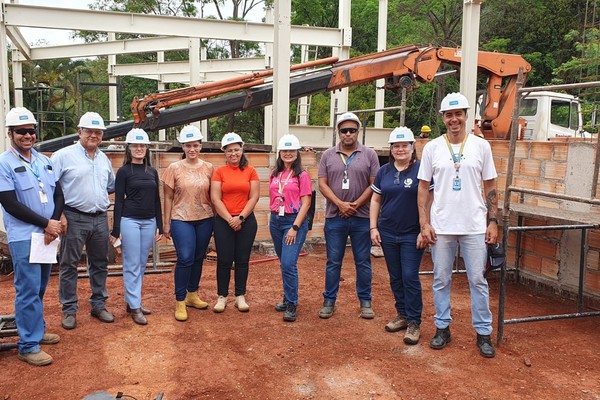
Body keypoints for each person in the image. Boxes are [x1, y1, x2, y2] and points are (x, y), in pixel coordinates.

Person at [417, 92, 499, 358]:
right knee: (441, 279)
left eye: (458, 114)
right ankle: (442, 327)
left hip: (474, 225)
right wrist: (424, 223)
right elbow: (422, 187)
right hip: (441, 226)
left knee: (477, 279)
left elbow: (491, 185)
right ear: (443, 118)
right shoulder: (432, 148)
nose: (454, 119)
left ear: (466, 116)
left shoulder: (480, 146)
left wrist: (493, 221)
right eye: (449, 115)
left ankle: (483, 333)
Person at [0, 107, 64, 366]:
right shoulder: (5, 163)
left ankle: (35, 330)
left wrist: (55, 223)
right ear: (10, 133)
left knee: (39, 287)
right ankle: (28, 344)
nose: (27, 135)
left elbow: (58, 194)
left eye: (31, 131)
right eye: (21, 131)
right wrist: (45, 224)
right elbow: (9, 202)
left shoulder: (43, 160)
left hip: (47, 235)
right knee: (26, 290)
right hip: (25, 236)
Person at [51, 112, 116, 330]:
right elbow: (51, 187)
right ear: (79, 132)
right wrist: (58, 215)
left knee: (100, 263)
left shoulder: (104, 158)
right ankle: (69, 309)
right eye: (89, 131)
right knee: (69, 264)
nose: (94, 135)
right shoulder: (63, 156)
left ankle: (98, 305)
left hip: (99, 218)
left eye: (98, 132)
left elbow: (110, 186)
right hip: (73, 217)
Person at [317, 112, 380, 319]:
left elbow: (374, 183)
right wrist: (340, 204)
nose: (348, 134)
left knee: (363, 261)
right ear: (338, 133)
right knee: (333, 261)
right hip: (335, 217)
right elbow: (322, 183)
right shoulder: (328, 155)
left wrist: (355, 204)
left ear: (358, 132)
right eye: (344, 130)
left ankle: (365, 301)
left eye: (352, 130)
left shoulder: (369, 154)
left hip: (361, 217)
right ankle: (329, 300)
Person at [370, 127, 428, 345]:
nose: (400, 149)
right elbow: (376, 200)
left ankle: (414, 321)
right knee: (395, 276)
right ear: (391, 149)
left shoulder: (421, 170)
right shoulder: (384, 171)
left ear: (413, 147)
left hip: (412, 233)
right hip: (387, 231)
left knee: (410, 276)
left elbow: (429, 200)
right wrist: (373, 228)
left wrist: (425, 228)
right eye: (396, 146)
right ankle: (402, 314)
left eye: (405, 145)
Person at [110, 129, 163, 325]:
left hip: (149, 222)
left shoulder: (152, 171)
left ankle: (132, 301)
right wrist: (116, 230)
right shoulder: (124, 172)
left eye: (142, 146)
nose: (139, 149)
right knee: (131, 264)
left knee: (141, 263)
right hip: (130, 221)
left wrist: (160, 224)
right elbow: (119, 203)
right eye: (135, 145)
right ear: (129, 148)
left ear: (147, 148)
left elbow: (157, 200)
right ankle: (135, 306)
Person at [161, 125, 214, 322]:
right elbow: (167, 198)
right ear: (182, 147)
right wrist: (166, 223)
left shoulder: (209, 168)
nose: (192, 149)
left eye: (195, 145)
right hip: (181, 219)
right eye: (188, 145)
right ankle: (180, 300)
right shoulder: (173, 169)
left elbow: (213, 195)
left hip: (205, 218)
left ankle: (193, 294)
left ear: (201, 146)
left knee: (199, 257)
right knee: (185, 257)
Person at [211, 132, 259, 313]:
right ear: (224, 152)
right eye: (230, 150)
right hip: (224, 221)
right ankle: (222, 296)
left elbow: (254, 197)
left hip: (246, 221)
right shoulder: (219, 172)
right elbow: (215, 199)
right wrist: (230, 219)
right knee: (224, 259)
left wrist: (240, 218)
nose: (234, 154)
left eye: (237, 150)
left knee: (242, 260)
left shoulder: (251, 171)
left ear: (242, 150)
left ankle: (240, 296)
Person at [269, 134, 312, 322]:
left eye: (291, 151)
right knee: (283, 262)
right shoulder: (274, 173)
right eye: (285, 151)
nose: (288, 154)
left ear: (297, 153)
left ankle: (292, 303)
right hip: (275, 221)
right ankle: (287, 298)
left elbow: (306, 203)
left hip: (293, 221)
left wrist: (295, 227)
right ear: (280, 152)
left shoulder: (302, 175)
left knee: (288, 263)